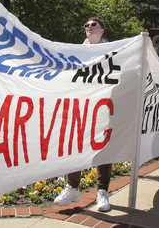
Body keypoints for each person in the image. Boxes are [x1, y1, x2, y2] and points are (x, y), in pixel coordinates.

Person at [54, 17, 113, 212]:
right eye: (86, 25)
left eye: (93, 25)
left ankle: (102, 192)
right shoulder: (77, 53)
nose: (88, 27)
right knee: (75, 144)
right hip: (81, 106)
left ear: (102, 31)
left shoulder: (114, 51)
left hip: (104, 106)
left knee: (103, 148)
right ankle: (72, 188)